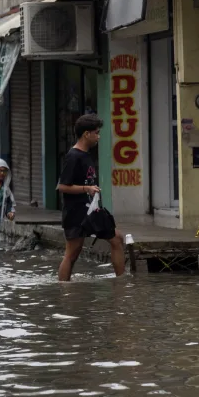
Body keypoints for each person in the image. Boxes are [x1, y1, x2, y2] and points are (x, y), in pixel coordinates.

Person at [57, 114, 126, 281]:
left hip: (92, 210)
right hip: (76, 212)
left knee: (117, 238)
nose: (98, 136)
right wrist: (86, 188)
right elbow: (62, 186)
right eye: (96, 132)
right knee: (72, 253)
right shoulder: (73, 156)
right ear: (86, 134)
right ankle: (63, 288)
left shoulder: (87, 155)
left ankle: (122, 282)